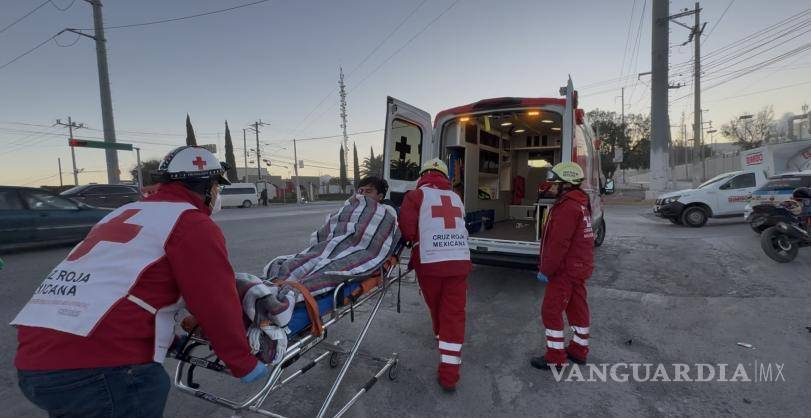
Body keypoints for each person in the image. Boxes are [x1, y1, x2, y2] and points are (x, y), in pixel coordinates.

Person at [11, 146, 266, 418]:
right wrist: (242, 362)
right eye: (217, 187)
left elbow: (117, 287)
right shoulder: (191, 223)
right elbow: (214, 301)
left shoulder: (124, 213)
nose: (217, 195)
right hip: (102, 369)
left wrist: (168, 340)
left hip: (35, 362)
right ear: (206, 186)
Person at [398, 158, 471, 392]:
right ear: (443, 177)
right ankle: (450, 373)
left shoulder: (415, 196)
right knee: (454, 312)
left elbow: (407, 231)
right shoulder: (456, 197)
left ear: (423, 175)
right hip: (459, 262)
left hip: (430, 264)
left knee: (437, 306)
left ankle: (441, 334)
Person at [531, 162, 595, 370]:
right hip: (579, 267)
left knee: (551, 310)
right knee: (577, 308)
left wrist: (546, 270)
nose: (551, 186)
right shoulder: (580, 203)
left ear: (565, 184)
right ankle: (578, 349)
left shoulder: (566, 207)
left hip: (565, 270)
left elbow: (559, 244)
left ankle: (555, 357)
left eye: (555, 182)